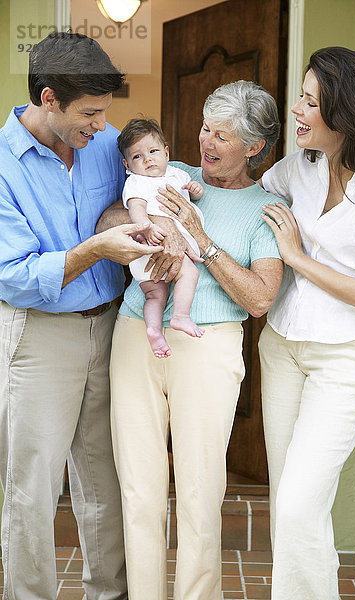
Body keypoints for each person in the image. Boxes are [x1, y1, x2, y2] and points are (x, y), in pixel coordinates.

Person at [97, 80, 284, 599]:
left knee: (200, 492)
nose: (206, 142)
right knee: (138, 490)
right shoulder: (168, 174)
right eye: (205, 128)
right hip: (137, 333)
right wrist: (145, 228)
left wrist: (199, 240)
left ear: (253, 147)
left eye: (221, 135)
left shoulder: (264, 208)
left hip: (208, 345)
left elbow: (261, 297)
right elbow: (113, 214)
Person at [0, 32, 163, 600]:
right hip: (40, 335)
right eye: (89, 114)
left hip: (112, 326)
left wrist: (119, 214)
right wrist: (97, 249)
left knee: (105, 481)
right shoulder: (2, 165)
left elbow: (144, 186)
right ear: (49, 99)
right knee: (33, 488)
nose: (100, 126)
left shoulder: (105, 139)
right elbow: (13, 273)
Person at [258, 46, 355, 600]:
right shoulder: (298, 167)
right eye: (301, 95)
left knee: (298, 504)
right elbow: (246, 198)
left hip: (346, 358)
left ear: (346, 114)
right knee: (293, 506)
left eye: (310, 101)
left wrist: (295, 258)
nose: (296, 109)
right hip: (284, 345)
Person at [118, 118, 206, 358]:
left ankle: (154, 330)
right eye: (137, 156)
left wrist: (195, 191)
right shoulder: (136, 182)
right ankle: (180, 315)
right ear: (127, 163)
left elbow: (188, 197)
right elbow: (136, 209)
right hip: (152, 245)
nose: (147, 159)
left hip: (159, 250)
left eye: (153, 151)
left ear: (166, 153)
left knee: (155, 294)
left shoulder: (177, 175)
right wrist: (146, 228)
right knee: (189, 274)